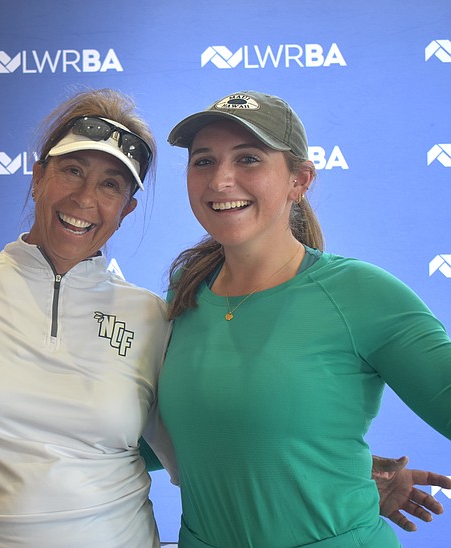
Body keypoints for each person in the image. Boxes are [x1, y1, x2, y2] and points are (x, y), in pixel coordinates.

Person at [158, 90, 451, 547]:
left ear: (300, 181)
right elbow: (181, 432)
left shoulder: (360, 293)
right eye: (203, 161)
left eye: (249, 159)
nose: (220, 180)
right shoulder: (186, 291)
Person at [0, 89, 176, 547]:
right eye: (72, 171)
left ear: (127, 209)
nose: (84, 198)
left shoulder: (152, 317)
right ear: (37, 177)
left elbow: (208, 450)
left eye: (110, 184)